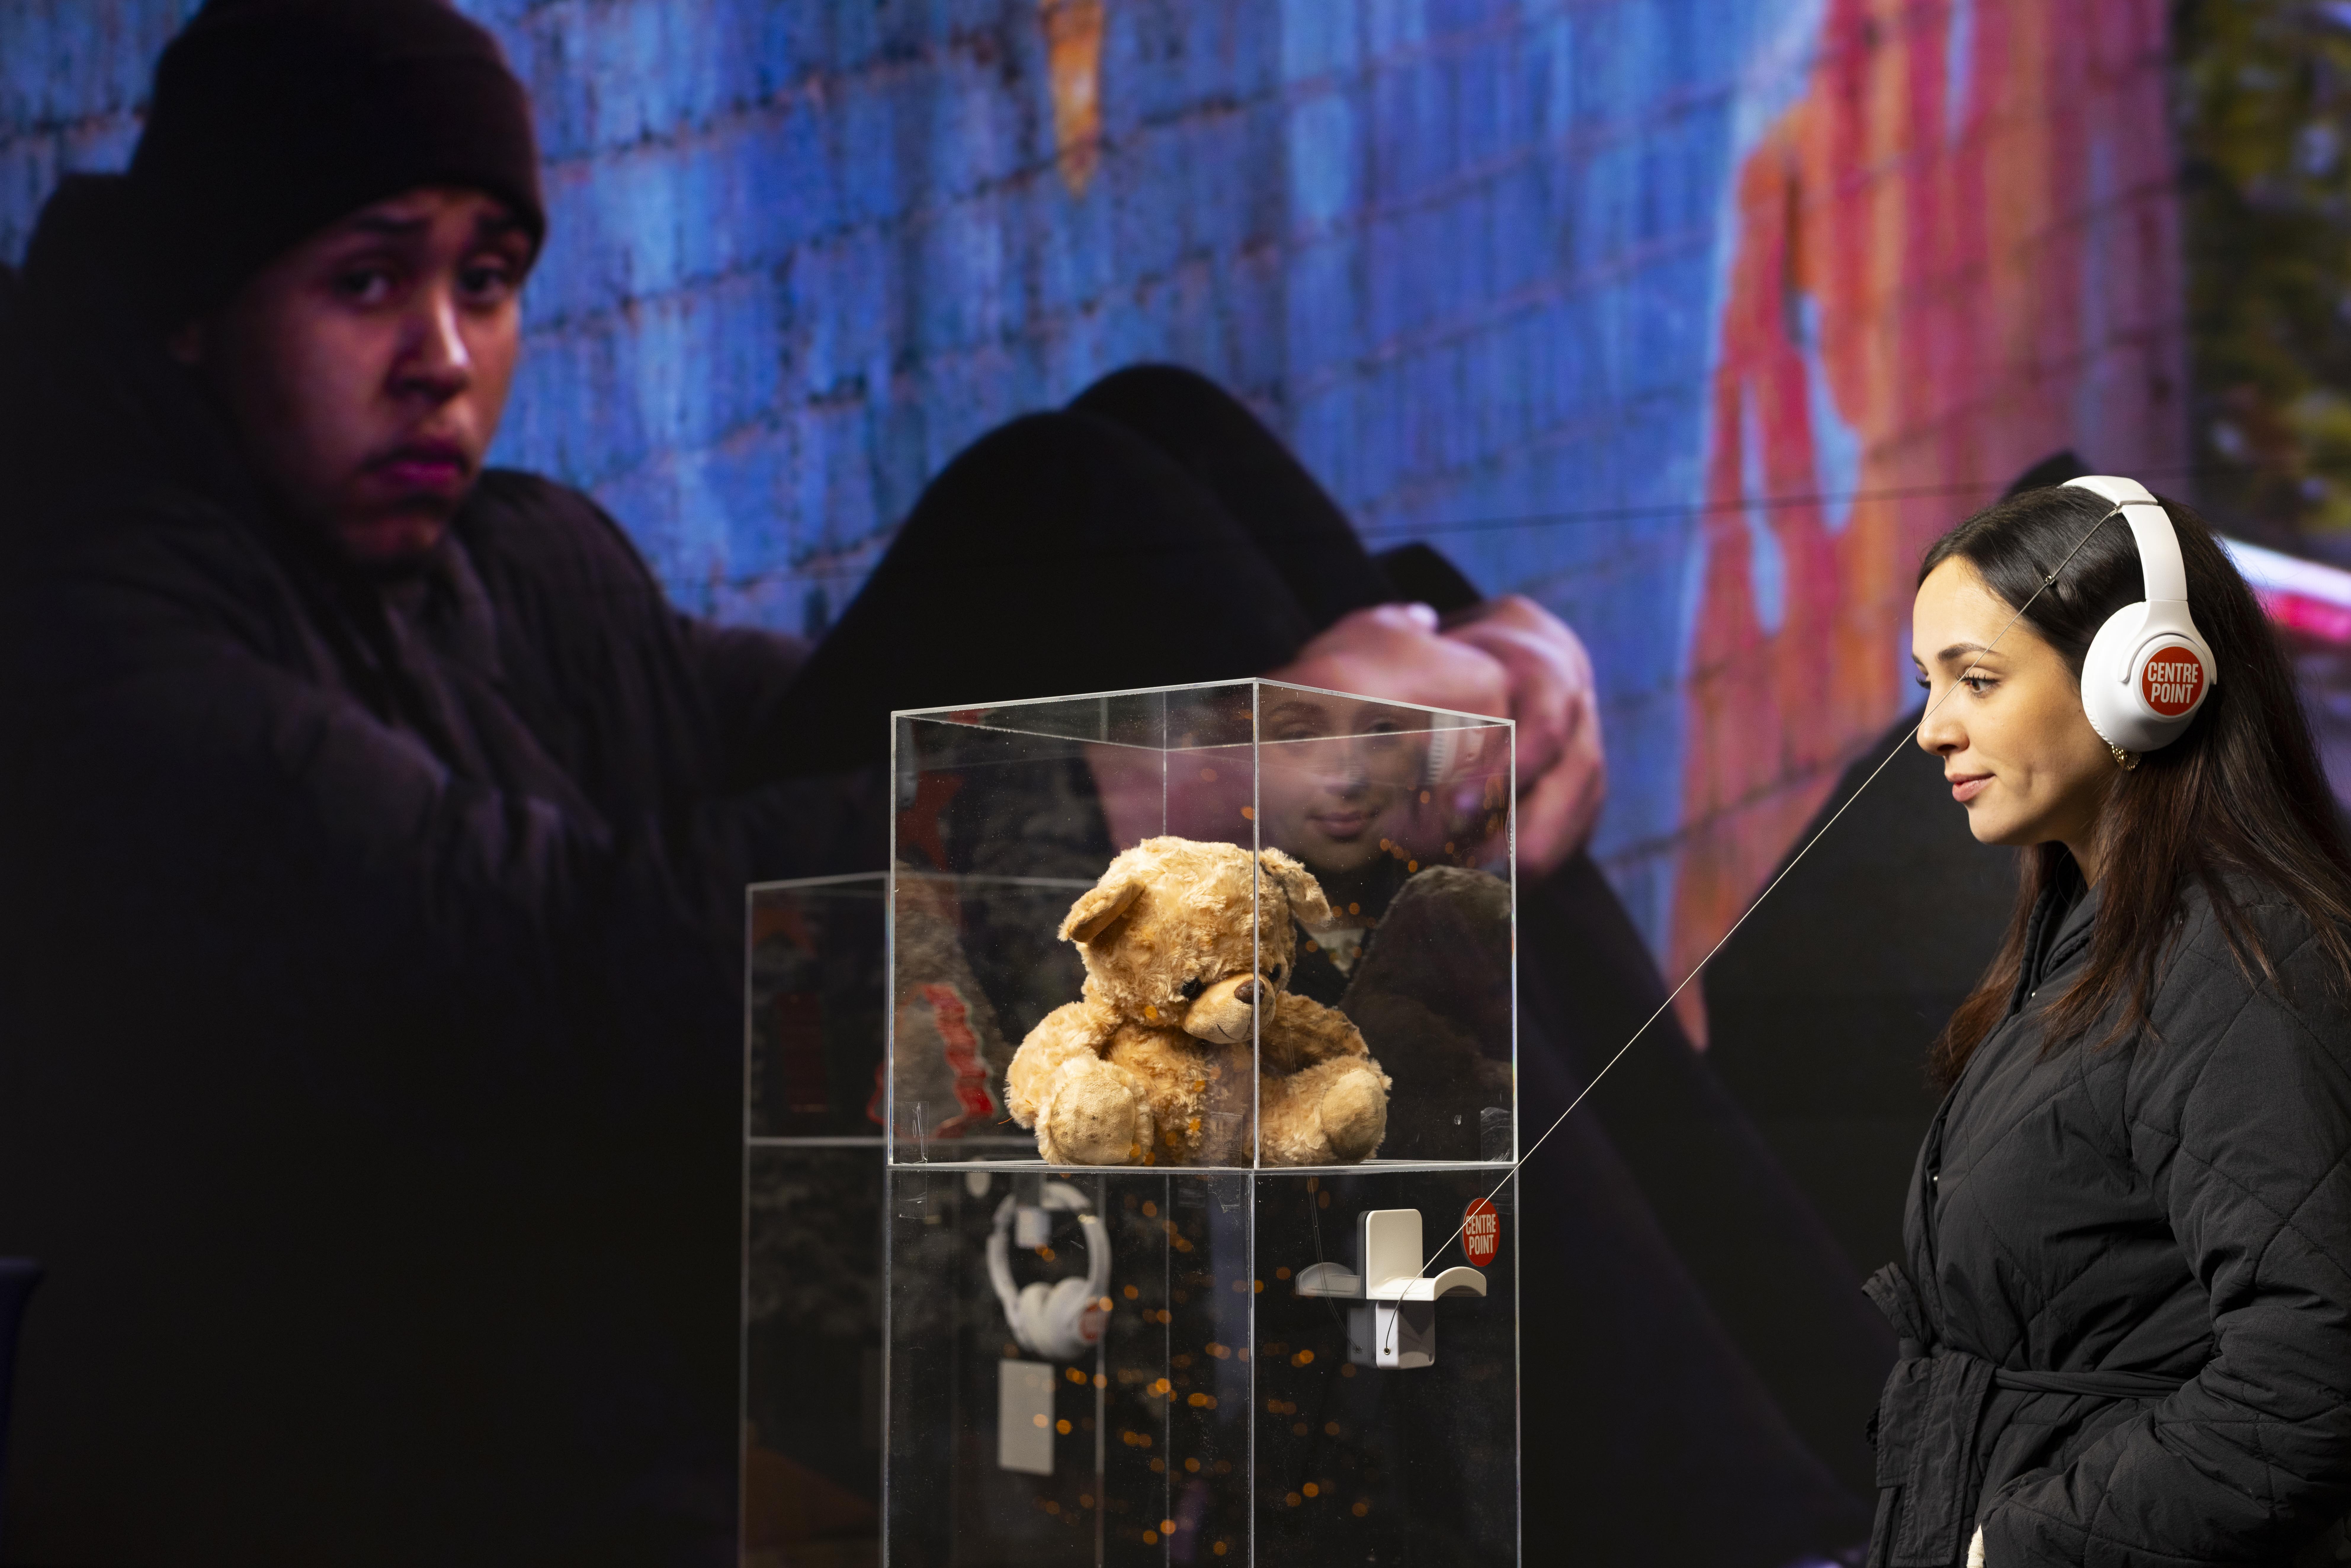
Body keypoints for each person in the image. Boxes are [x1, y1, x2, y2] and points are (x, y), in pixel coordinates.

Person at [0, 4, 1878, 1564]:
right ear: (195, 312)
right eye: (363, 286)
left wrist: (1484, 661)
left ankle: (1859, 1446)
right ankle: (1750, 1521)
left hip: (656, 1214)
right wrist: (1180, 796)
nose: (441, 359)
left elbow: (797, 735)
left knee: (1145, 463)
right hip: (443, 1388)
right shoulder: (105, 641)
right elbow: (560, 963)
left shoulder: (505, 566)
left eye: (484, 284)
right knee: (1098, 540)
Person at [1881, 479, 2351, 1565]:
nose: (1930, 729)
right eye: (1927, 685)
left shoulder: (2240, 962)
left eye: (1977, 680)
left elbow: (2313, 1369)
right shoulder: (2087, 937)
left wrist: (2020, 1543)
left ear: (2145, 682)